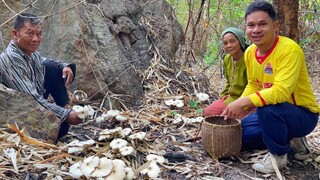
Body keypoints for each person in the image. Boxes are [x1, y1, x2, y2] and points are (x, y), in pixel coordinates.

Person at [221, 0, 320, 174]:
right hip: (273, 112)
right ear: (246, 28)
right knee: (240, 138)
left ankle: (278, 155)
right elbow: (253, 84)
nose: (256, 30)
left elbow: (281, 92)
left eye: (262, 24)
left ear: (275, 26)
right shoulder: (250, 52)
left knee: (268, 109)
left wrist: (244, 101)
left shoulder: (289, 50)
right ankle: (292, 139)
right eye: (251, 25)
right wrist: (242, 107)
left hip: (303, 114)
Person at [0, 13, 82, 140]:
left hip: (32, 102)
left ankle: (65, 107)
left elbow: (47, 61)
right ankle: (66, 114)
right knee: (62, 128)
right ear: (15, 34)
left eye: (39, 34)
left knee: (52, 67)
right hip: (18, 113)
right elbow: (31, 99)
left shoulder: (29, 54)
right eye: (30, 33)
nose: (36, 39)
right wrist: (66, 115)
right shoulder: (10, 60)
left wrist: (65, 66)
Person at [204, 27, 249, 118]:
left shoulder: (249, 58)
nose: (229, 45)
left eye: (232, 41)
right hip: (232, 97)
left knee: (239, 119)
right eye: (225, 43)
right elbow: (229, 82)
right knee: (208, 112)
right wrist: (224, 95)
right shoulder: (227, 59)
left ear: (240, 41)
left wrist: (240, 103)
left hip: (247, 100)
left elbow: (253, 85)